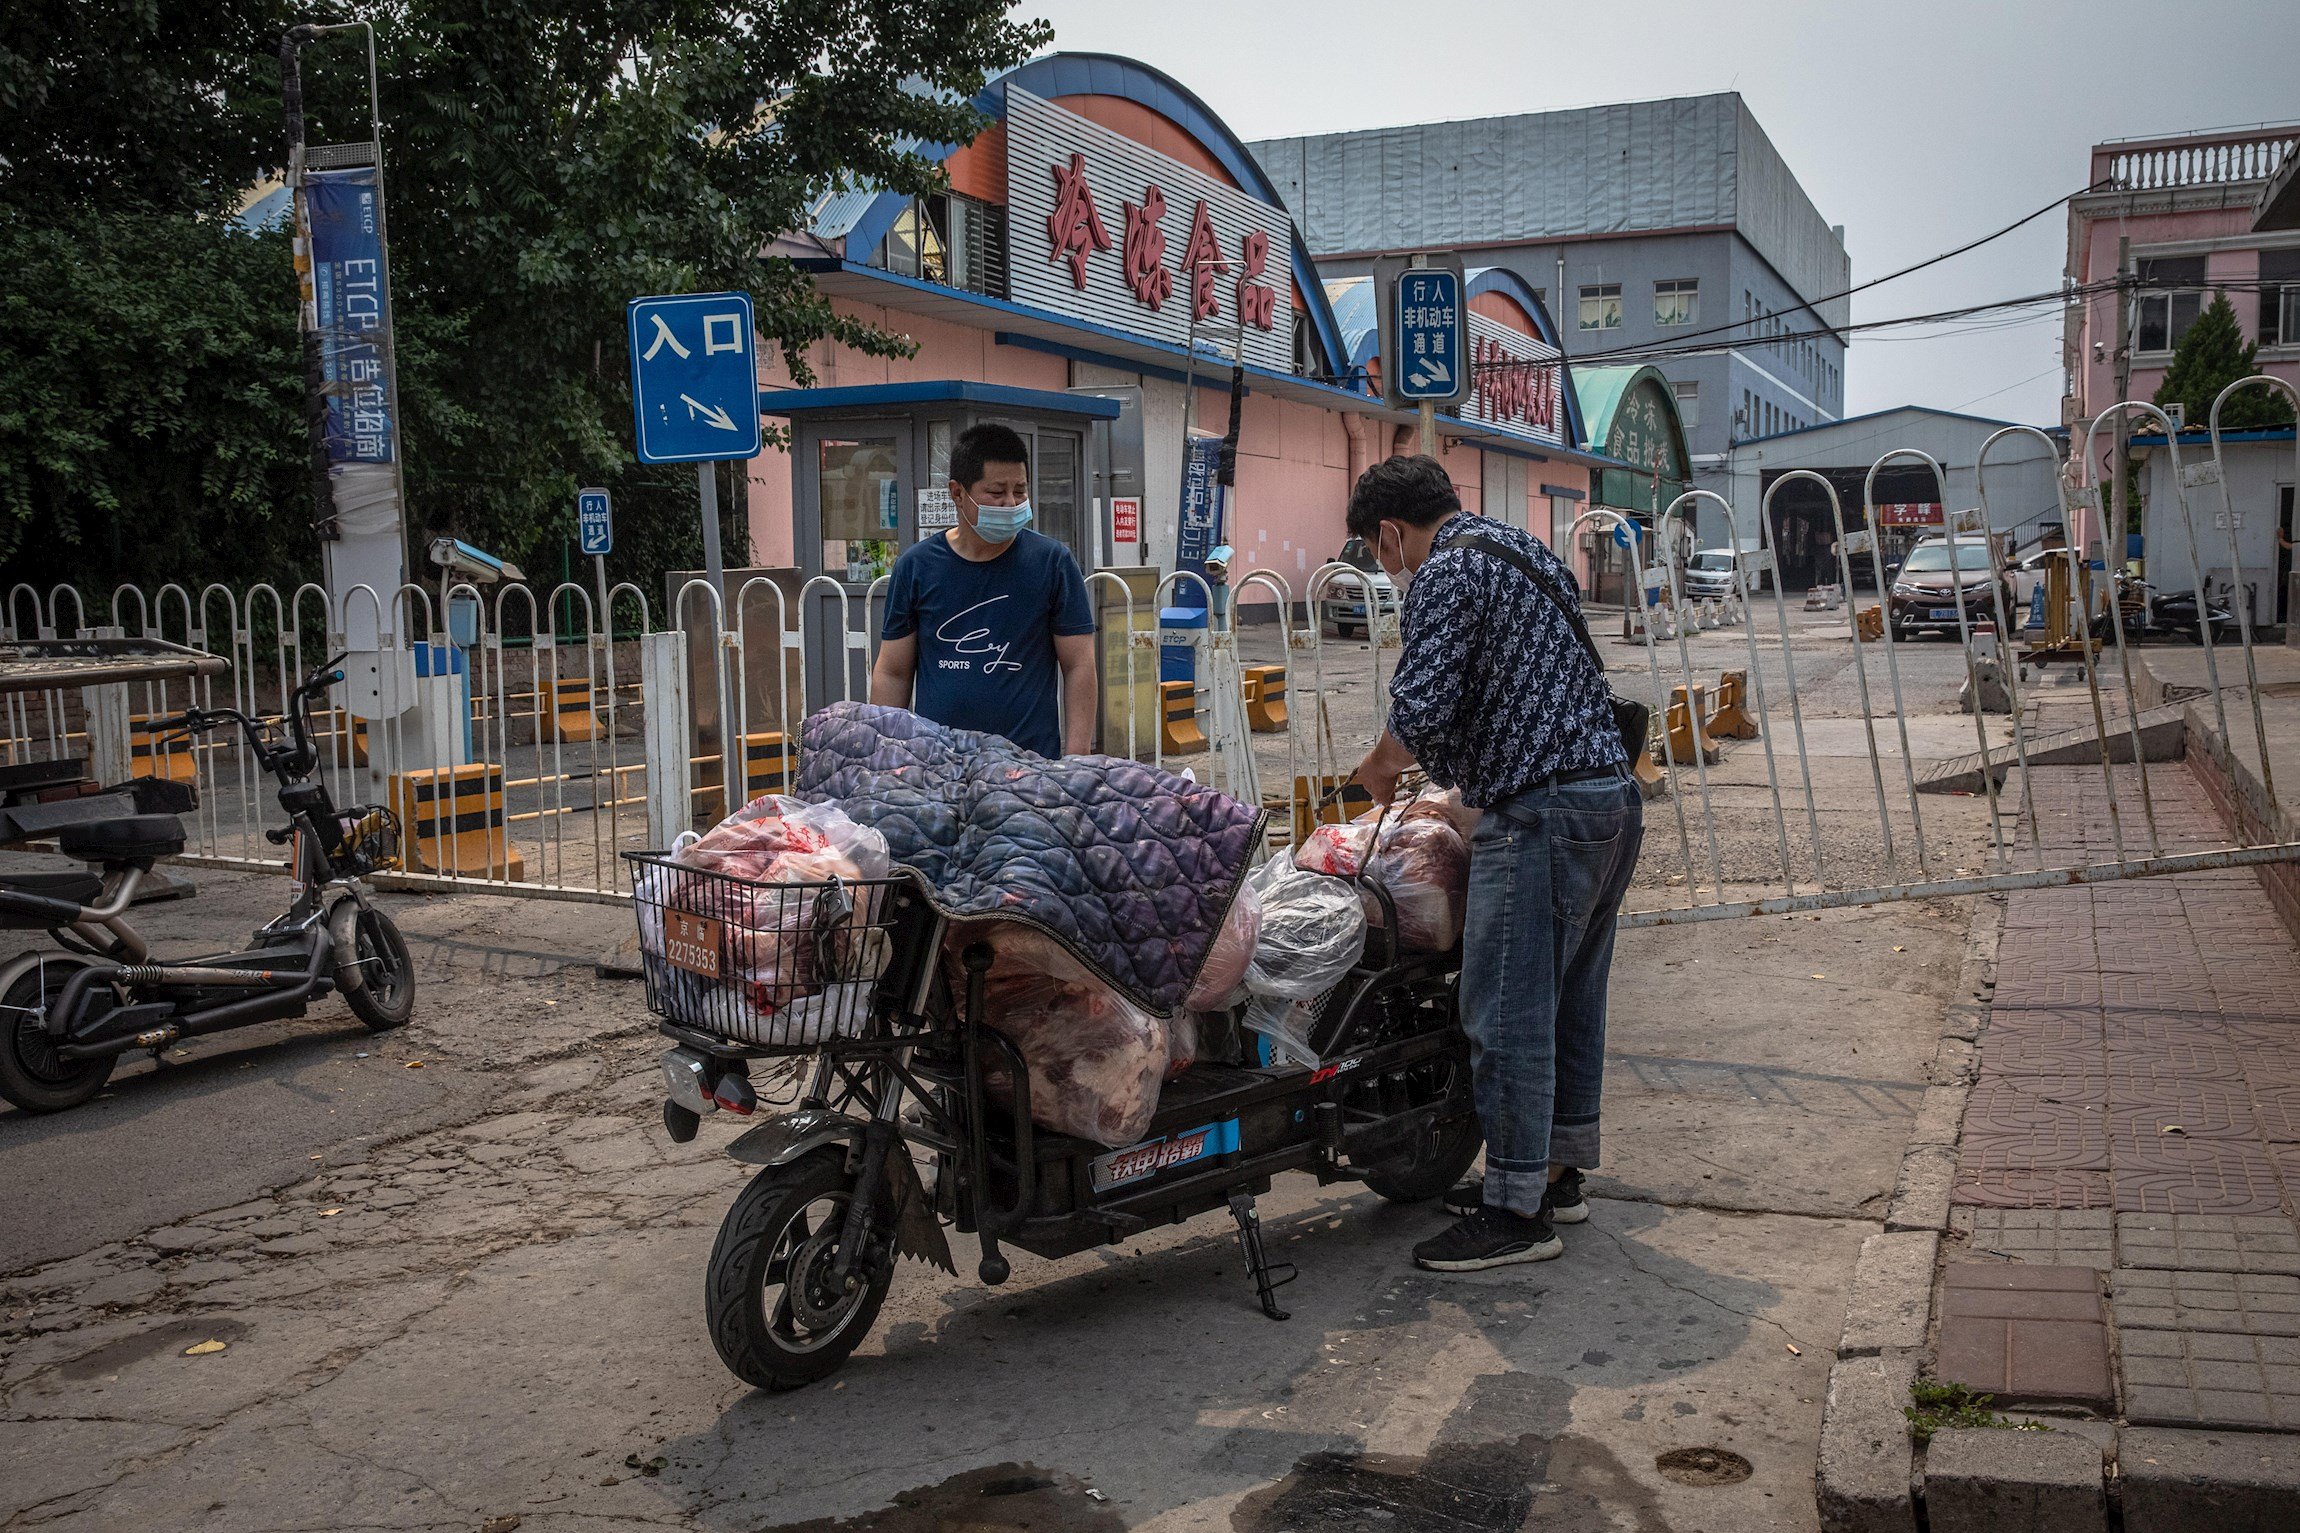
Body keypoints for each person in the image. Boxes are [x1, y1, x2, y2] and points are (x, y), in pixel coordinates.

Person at [1347, 455, 1644, 1272]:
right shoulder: (1523, 548)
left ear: (1390, 533)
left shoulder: (1445, 572)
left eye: (1380, 555)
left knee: (1505, 1011)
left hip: (1544, 812)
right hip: (1610, 800)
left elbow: (1421, 708)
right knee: (1568, 1000)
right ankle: (1555, 1173)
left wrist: (1377, 770)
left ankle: (1515, 1212)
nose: (1388, 569)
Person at [871, 423, 1098, 758]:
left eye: (1019, 491)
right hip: (938, 766)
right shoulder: (917, 567)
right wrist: (886, 755)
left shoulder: (1052, 563)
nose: (1010, 503)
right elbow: (894, 671)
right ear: (957, 492)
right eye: (996, 492)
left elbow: (1079, 665)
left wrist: (1077, 758)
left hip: (1029, 768)